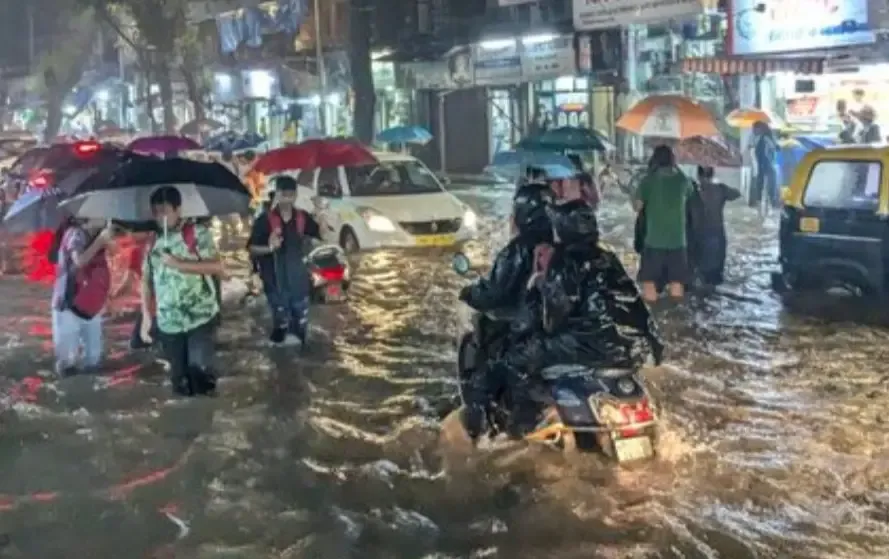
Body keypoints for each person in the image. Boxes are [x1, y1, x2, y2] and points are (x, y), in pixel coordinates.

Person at [487, 200, 664, 437]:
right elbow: (637, 306)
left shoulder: (566, 262)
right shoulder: (608, 259)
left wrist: (537, 286)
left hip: (589, 347)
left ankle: (526, 424)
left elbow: (552, 320)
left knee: (515, 359)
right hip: (632, 349)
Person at [458, 182, 554, 440]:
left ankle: (481, 438)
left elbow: (494, 293)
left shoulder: (518, 249)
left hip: (524, 335)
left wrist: (469, 293)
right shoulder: (566, 245)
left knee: (482, 383)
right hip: (560, 335)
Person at [140, 186, 223, 397]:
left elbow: (217, 267)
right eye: (156, 212)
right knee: (179, 383)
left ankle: (206, 419)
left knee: (200, 375)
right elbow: (146, 281)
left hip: (200, 316)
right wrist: (146, 318)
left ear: (178, 210)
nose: (161, 217)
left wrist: (179, 264)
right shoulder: (152, 243)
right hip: (169, 322)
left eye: (165, 211)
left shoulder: (196, 234)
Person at [247, 176, 323, 345]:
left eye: (291, 194)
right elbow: (251, 248)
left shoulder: (303, 218)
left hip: (299, 284)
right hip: (275, 284)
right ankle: (280, 364)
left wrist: (321, 214)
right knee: (280, 327)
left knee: (301, 329)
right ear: (277, 195)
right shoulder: (264, 221)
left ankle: (300, 365)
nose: (287, 199)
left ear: (295, 195)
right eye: (284, 194)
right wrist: (269, 247)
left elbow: (321, 236)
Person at [50, 217, 114, 376]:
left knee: (93, 360)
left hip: (92, 306)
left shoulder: (98, 234)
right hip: (68, 306)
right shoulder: (75, 234)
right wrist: (100, 241)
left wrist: (107, 241)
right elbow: (79, 261)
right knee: (68, 362)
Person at [633, 145, 694, 302]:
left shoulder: (648, 181)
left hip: (654, 241)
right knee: (677, 282)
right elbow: (690, 195)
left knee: (649, 282)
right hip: (679, 242)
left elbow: (637, 207)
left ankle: (654, 318)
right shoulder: (682, 180)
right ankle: (676, 319)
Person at [688, 166, 741, 286]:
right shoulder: (720, 189)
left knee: (698, 274)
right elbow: (737, 194)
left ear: (698, 175)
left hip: (697, 236)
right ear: (712, 175)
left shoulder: (692, 191)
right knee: (715, 277)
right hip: (717, 235)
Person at [751, 121, 779, 215]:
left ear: (760, 129)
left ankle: (768, 208)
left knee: (768, 190)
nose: (753, 131)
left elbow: (774, 148)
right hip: (763, 168)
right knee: (765, 190)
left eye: (754, 129)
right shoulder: (760, 138)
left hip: (766, 167)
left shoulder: (765, 138)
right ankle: (766, 208)